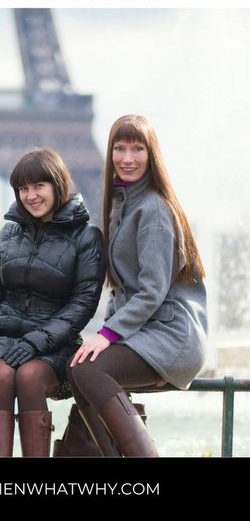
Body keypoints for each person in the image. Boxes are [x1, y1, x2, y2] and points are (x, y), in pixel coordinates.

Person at [0, 147, 105, 457]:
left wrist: (36, 342)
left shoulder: (87, 237)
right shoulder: (9, 232)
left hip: (54, 343)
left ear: (58, 185)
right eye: (23, 188)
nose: (30, 195)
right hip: (2, 339)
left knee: (29, 376)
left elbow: (82, 304)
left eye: (38, 186)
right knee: (1, 375)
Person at [68, 115, 208, 457]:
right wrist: (105, 332)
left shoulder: (155, 210)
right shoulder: (123, 205)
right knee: (76, 369)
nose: (127, 157)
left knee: (86, 368)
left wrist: (108, 335)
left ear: (152, 154)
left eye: (137, 148)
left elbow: (151, 292)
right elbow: (123, 291)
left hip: (172, 337)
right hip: (148, 333)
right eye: (119, 148)